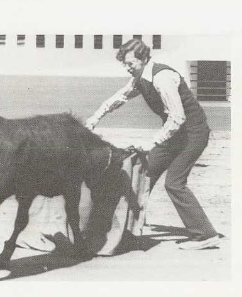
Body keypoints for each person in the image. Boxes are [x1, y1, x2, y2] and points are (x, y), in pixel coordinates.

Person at [84, 39, 221, 250]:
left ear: (143, 59)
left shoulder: (161, 77)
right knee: (144, 176)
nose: (127, 67)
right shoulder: (140, 78)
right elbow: (119, 97)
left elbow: (177, 117)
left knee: (174, 183)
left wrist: (151, 143)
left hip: (194, 134)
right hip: (174, 135)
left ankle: (205, 235)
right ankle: (129, 231)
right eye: (124, 63)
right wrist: (95, 118)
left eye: (130, 63)